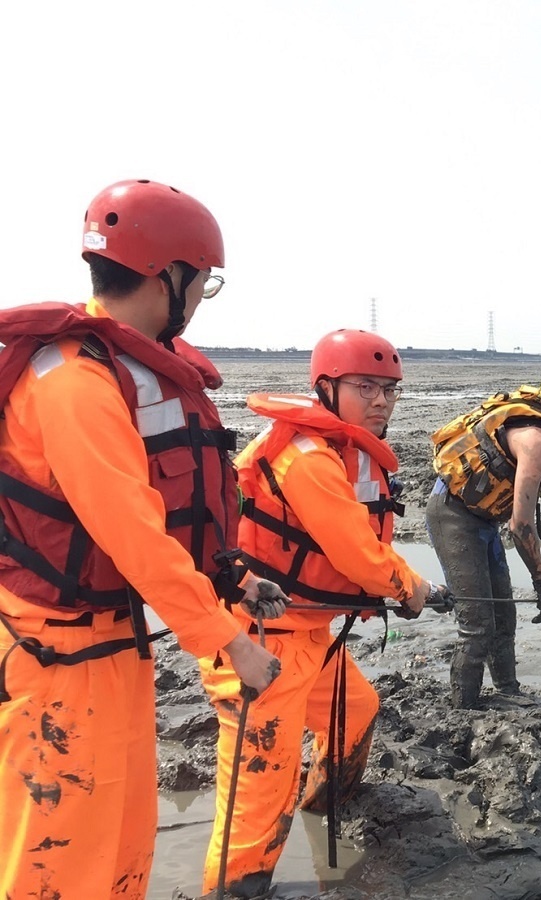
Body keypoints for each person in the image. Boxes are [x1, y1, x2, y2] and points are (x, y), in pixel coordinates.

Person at [0, 179, 282, 900]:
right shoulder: (73, 380)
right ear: (169, 277)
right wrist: (232, 641)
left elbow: (166, 518)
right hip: (56, 662)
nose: (198, 300)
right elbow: (132, 533)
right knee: (59, 865)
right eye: (202, 283)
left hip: (111, 646)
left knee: (123, 848)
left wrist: (237, 580)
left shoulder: (119, 370)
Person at [198, 329, 452, 897]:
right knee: (259, 796)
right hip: (258, 638)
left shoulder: (344, 452)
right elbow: (358, 555)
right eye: (366, 387)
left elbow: (365, 548)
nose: (381, 400)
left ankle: (323, 806)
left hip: (307, 634)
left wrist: (421, 587)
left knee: (355, 711)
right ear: (325, 388)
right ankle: (236, 888)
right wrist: (411, 588)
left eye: (390, 389)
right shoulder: (307, 457)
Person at [426, 359, 541, 710]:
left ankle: (508, 692)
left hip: (483, 520)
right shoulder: (536, 441)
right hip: (452, 514)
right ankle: (462, 710)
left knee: (504, 617)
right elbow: (521, 526)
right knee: (477, 623)